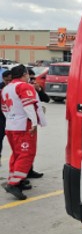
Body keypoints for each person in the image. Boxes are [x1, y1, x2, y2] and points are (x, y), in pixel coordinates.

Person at [1, 65, 46, 201]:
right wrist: (33, 122)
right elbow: (29, 105)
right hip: (23, 125)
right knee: (27, 154)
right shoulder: (23, 86)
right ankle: (14, 183)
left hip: (10, 125)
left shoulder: (5, 89)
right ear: (23, 74)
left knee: (17, 153)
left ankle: (15, 179)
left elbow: (4, 108)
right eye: (27, 74)